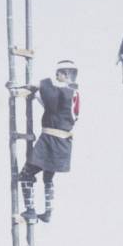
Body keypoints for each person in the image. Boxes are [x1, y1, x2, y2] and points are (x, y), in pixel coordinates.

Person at [21, 60, 80, 223]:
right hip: (63, 143)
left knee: (26, 174)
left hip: (51, 141)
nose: (56, 76)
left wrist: (34, 86)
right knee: (48, 177)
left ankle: (30, 210)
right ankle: (48, 212)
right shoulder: (73, 93)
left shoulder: (64, 92)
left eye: (59, 74)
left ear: (66, 74)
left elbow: (44, 90)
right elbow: (51, 106)